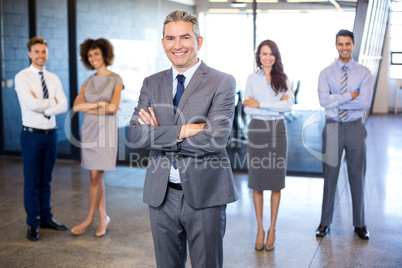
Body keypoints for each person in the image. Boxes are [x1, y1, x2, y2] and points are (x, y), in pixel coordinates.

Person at [129, 10, 238, 268]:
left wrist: (158, 132)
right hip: (161, 195)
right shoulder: (151, 83)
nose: (177, 45)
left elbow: (214, 139)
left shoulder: (222, 82)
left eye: (185, 37)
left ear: (198, 42)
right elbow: (135, 134)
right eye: (170, 38)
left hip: (206, 193)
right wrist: (184, 130)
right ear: (163, 42)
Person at [316, 29, 373, 240]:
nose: (344, 47)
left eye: (348, 44)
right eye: (340, 44)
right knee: (330, 176)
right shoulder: (326, 73)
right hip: (332, 128)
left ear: (353, 45)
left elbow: (364, 102)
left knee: (357, 176)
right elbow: (324, 101)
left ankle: (360, 223)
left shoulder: (364, 73)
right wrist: (350, 95)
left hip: (355, 127)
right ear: (336, 45)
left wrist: (336, 98)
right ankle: (324, 222)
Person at [14, 36, 69, 241]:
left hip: (51, 136)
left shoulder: (53, 78)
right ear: (30, 54)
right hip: (31, 136)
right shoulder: (22, 77)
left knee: (46, 180)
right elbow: (31, 104)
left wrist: (45, 103)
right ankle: (33, 222)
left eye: (44, 52)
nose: (41, 55)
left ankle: (46, 217)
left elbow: (63, 105)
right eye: (37, 52)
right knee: (32, 181)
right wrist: (51, 102)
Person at [243, 39, 293, 251]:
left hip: (277, 132)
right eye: (264, 53)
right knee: (257, 182)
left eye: (271, 53)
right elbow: (247, 108)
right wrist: (275, 106)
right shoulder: (251, 79)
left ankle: (272, 229)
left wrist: (261, 104)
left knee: (275, 182)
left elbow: (288, 106)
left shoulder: (283, 78)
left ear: (276, 56)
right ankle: (260, 229)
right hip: (257, 131)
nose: (268, 57)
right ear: (258, 56)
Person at [71, 38, 124, 237]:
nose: (93, 58)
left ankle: (89, 219)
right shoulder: (88, 81)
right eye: (90, 54)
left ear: (104, 54)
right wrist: (101, 105)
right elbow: (77, 107)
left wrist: (92, 107)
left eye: (96, 53)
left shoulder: (116, 79)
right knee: (96, 176)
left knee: (95, 175)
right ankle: (103, 217)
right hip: (89, 131)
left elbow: (113, 108)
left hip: (105, 133)